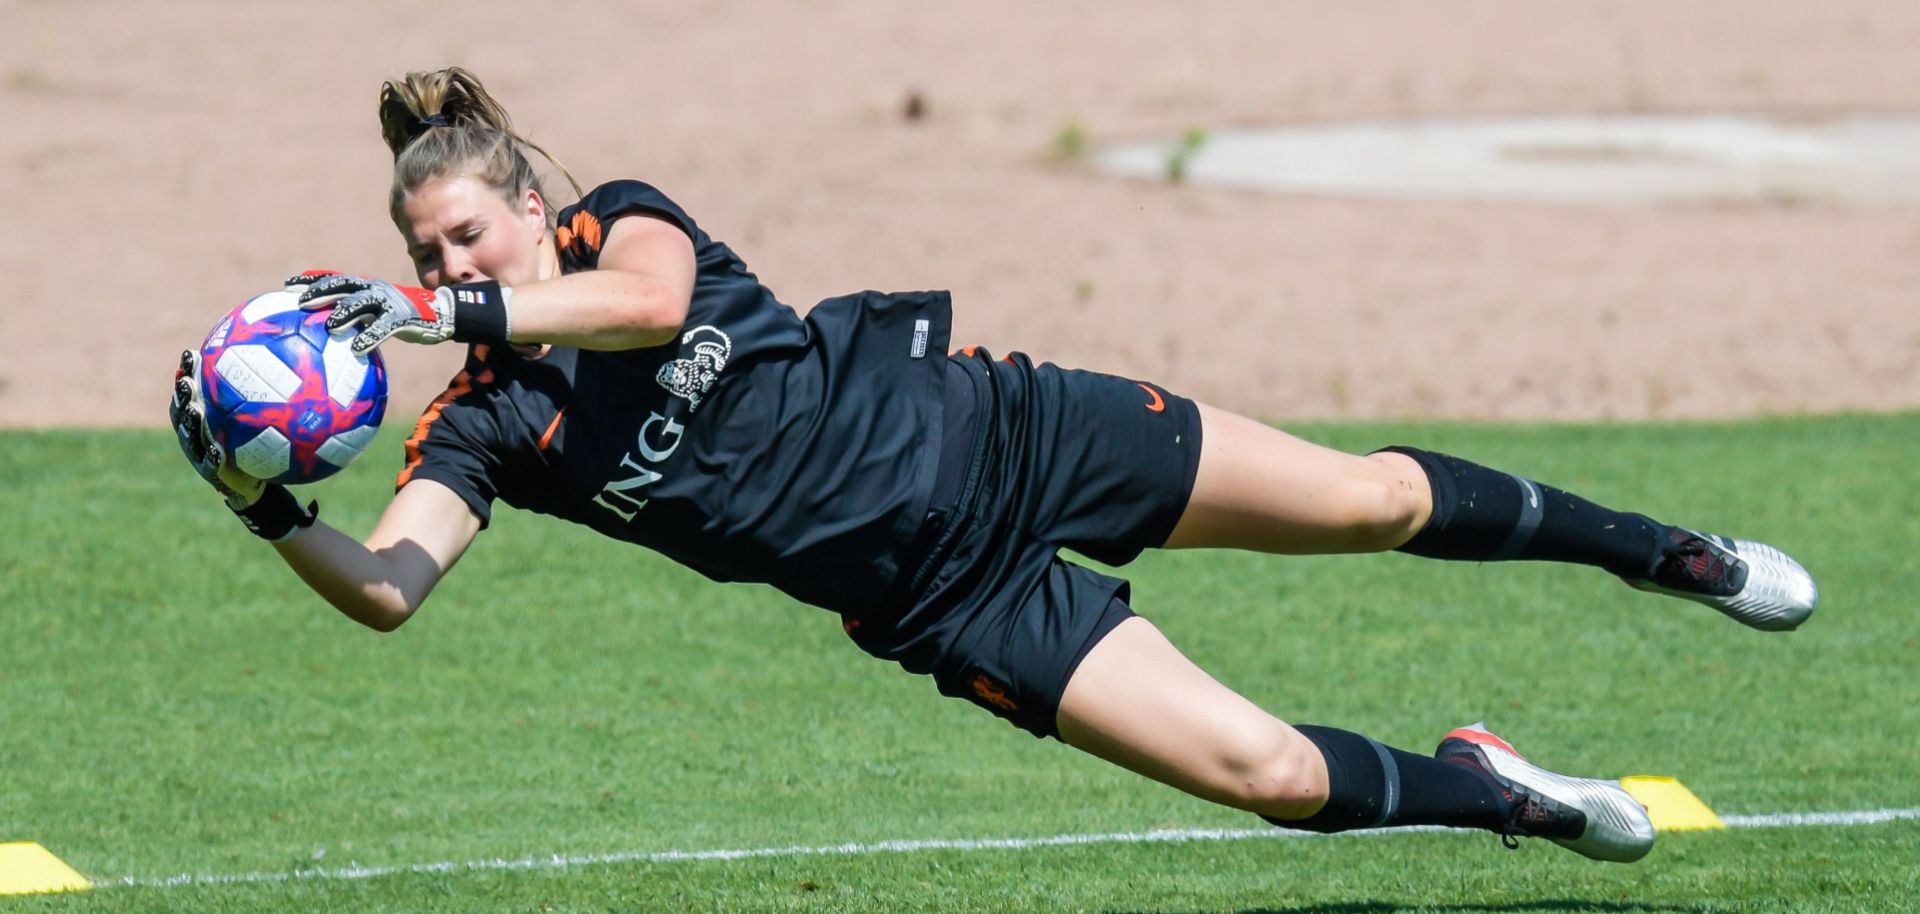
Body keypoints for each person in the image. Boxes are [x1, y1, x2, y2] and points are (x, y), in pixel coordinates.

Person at [169, 67, 1817, 864]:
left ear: (524, 206)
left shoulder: (619, 228)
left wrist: (446, 295)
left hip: (1013, 432)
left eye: (463, 230)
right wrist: (260, 502)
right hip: (948, 597)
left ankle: (1662, 549)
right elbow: (388, 593)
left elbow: (646, 306)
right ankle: (1507, 790)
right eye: (422, 247)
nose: (445, 261)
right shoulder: (479, 426)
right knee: (1277, 780)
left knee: (1371, 498)